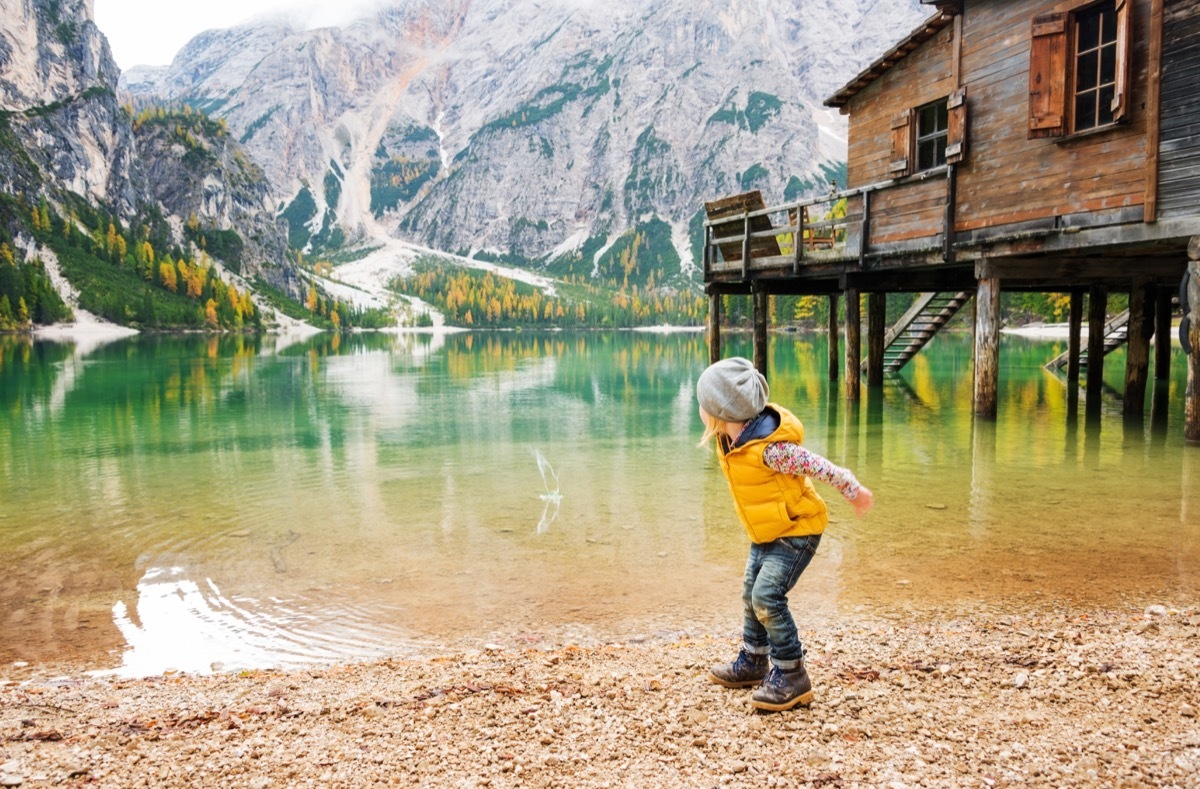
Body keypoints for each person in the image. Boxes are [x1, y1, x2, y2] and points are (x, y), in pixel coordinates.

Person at [697, 356, 873, 712]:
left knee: (766, 597)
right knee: (750, 595)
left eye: (703, 403)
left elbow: (817, 465)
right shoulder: (730, 440)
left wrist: (852, 489)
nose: (699, 409)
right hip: (766, 531)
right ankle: (753, 660)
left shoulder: (772, 450)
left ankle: (792, 674)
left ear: (721, 410)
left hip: (798, 531)